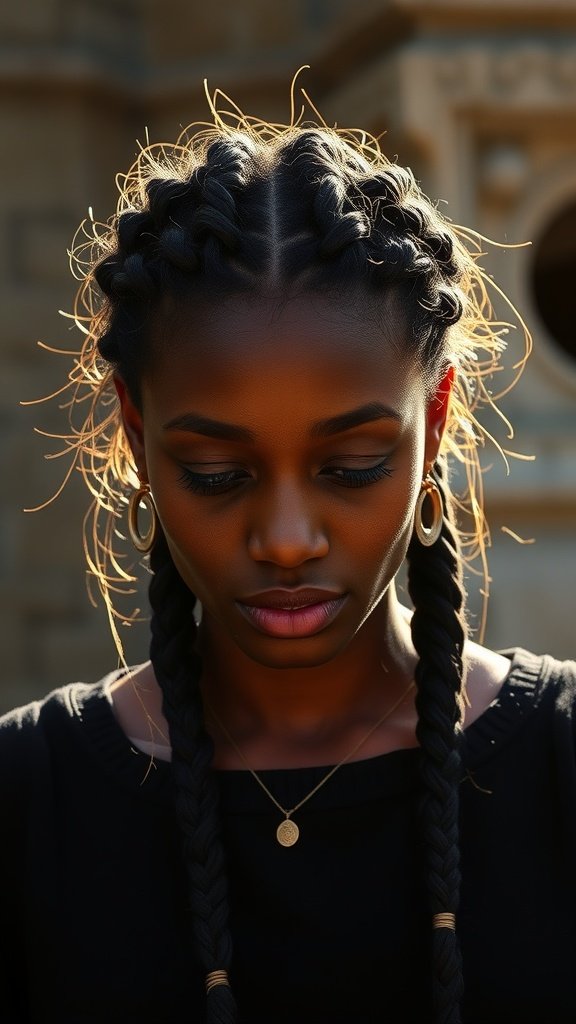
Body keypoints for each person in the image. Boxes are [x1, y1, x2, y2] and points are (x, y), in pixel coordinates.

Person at [1, 83, 575, 1024]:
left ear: (432, 422)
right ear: (138, 440)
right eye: (219, 474)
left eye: (350, 467)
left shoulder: (561, 765)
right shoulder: (30, 808)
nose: (286, 539)